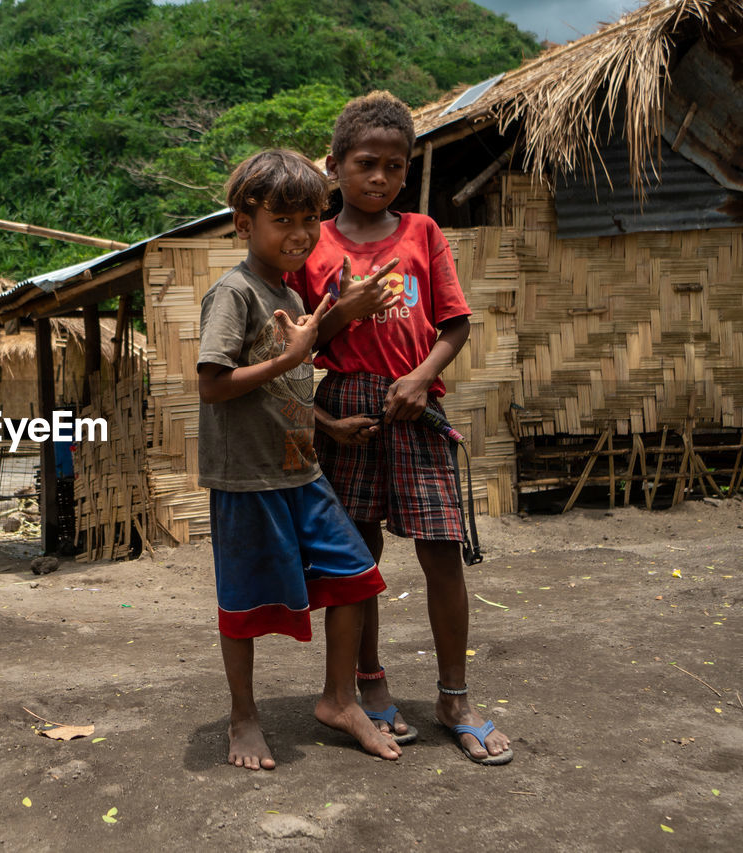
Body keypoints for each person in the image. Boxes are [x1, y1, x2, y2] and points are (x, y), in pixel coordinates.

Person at [285, 91, 514, 765]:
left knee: (442, 550)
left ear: (406, 171)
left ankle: (454, 696)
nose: (379, 177)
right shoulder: (314, 246)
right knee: (357, 560)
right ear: (334, 167)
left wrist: (421, 376)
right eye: (365, 163)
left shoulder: (423, 234)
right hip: (348, 410)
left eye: (393, 165)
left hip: (416, 404)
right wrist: (323, 415)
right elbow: (290, 345)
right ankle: (368, 684)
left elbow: (456, 323)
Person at [198, 148, 402, 771]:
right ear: (243, 223)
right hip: (246, 478)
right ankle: (244, 718)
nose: (300, 234)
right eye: (282, 220)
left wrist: (325, 420)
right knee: (243, 604)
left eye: (310, 219)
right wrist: (293, 357)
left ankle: (340, 699)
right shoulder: (233, 293)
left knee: (355, 575)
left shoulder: (288, 289)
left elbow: (285, 389)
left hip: (301, 469)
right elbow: (214, 382)